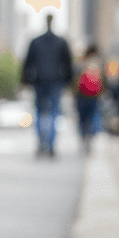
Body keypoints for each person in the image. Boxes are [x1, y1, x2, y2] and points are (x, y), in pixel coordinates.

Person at [21, 14, 72, 157]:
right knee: (54, 113)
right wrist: (68, 81)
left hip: (40, 81)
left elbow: (27, 63)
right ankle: (50, 144)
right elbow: (68, 64)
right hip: (55, 81)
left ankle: (41, 143)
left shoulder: (36, 41)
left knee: (39, 112)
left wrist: (25, 81)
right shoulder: (61, 42)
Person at [73, 43, 103, 152]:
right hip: (94, 96)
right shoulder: (99, 63)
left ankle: (83, 136)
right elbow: (104, 80)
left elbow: (75, 79)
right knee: (93, 116)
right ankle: (90, 137)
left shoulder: (81, 62)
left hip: (81, 95)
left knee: (82, 118)